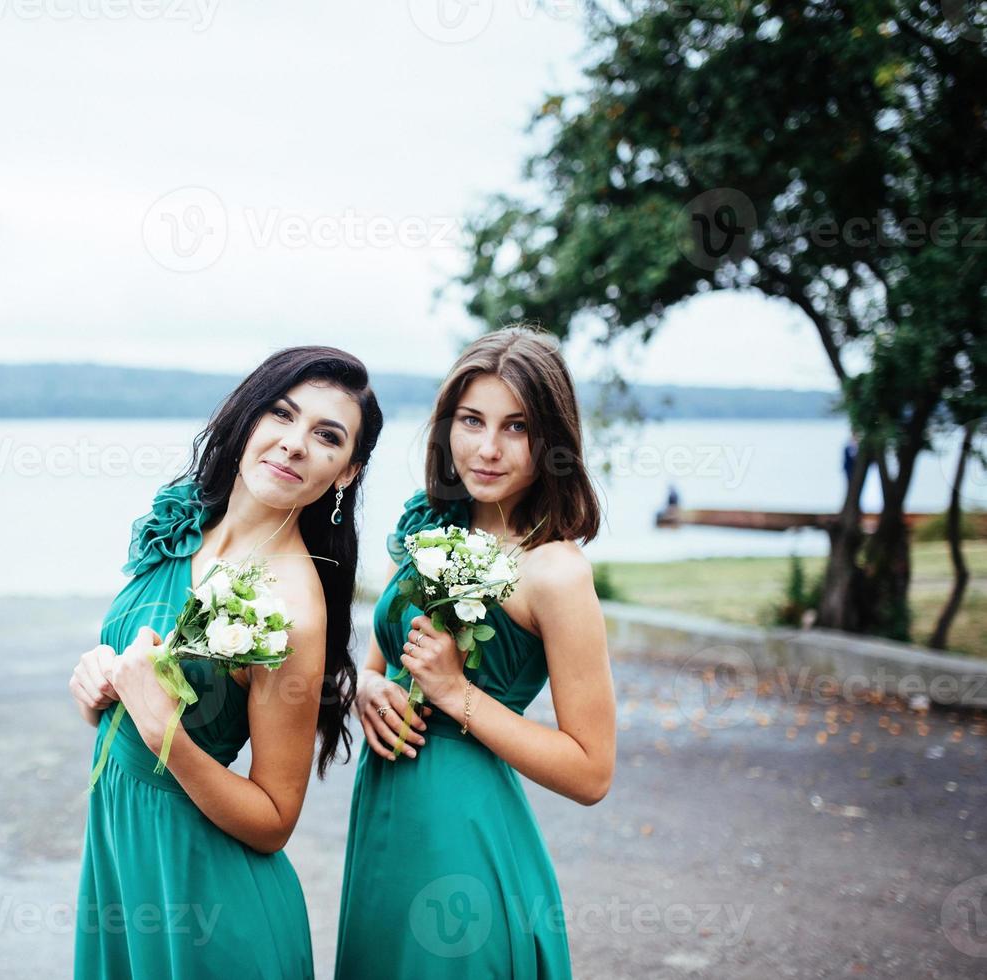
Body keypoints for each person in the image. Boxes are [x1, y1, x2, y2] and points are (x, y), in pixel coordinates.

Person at [69, 346, 384, 979]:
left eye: (326, 436)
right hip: (123, 868)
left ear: (346, 472)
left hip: (209, 911)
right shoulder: (183, 525)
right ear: (247, 419)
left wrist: (166, 734)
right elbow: (137, 684)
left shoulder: (292, 606)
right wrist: (97, 687)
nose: (294, 444)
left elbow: (274, 820)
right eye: (282, 414)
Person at [335, 325, 616, 979]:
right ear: (446, 425)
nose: (487, 449)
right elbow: (381, 663)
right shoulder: (430, 526)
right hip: (384, 818)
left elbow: (591, 771)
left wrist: (458, 695)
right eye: (471, 420)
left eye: (516, 427)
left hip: (462, 834)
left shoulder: (556, 573)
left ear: (551, 440)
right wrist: (366, 690)